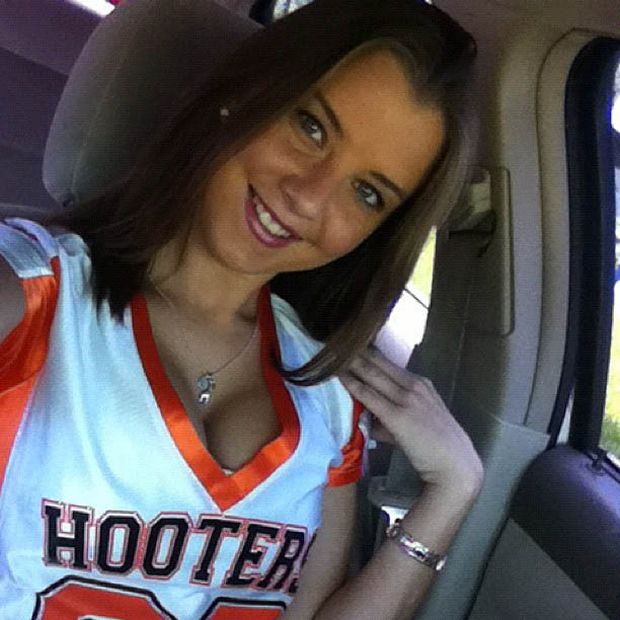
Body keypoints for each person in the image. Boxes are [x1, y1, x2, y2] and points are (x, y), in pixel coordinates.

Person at [0, 0, 483, 617]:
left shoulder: (329, 399)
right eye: (312, 127)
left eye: (367, 192)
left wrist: (452, 490)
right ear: (245, 93)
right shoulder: (34, 294)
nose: (308, 198)